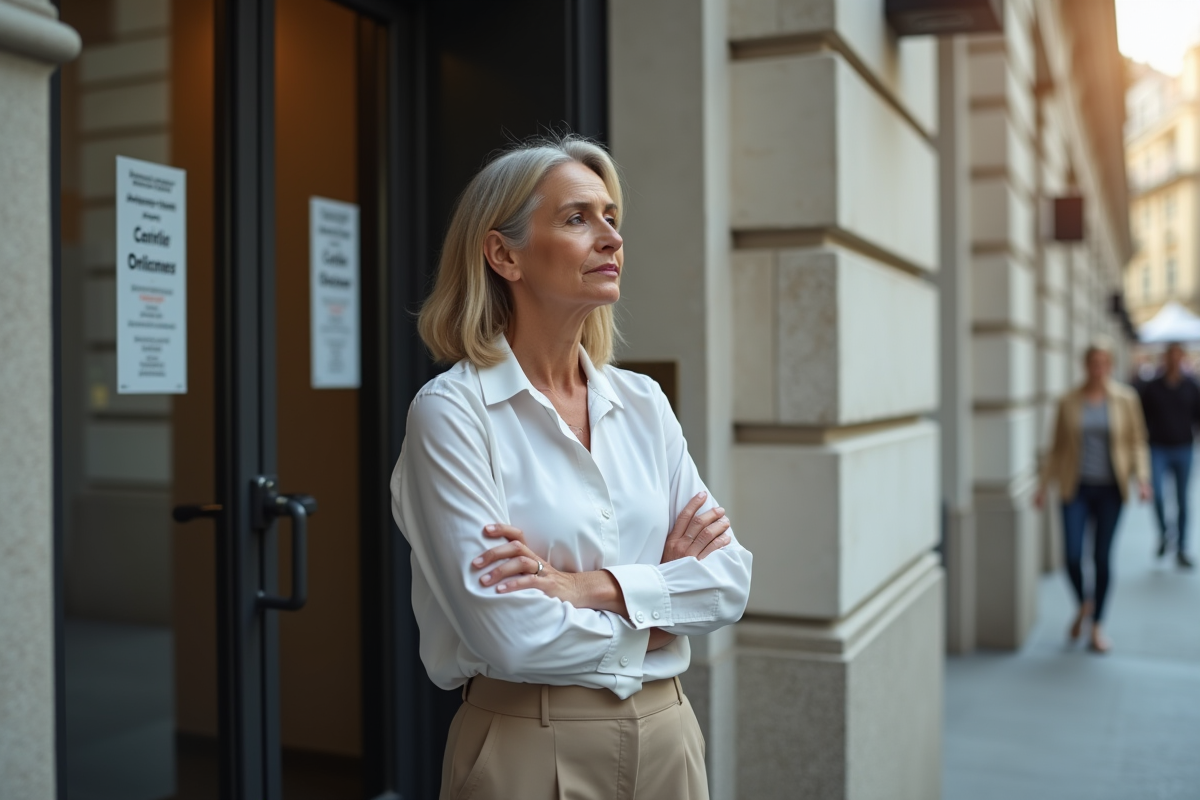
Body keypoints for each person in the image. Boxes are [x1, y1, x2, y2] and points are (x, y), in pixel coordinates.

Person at [390, 135, 753, 800]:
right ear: (504, 255)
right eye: (578, 218)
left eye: (611, 216)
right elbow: (510, 635)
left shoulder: (643, 403)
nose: (612, 238)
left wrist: (587, 588)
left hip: (670, 733)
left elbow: (728, 582)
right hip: (530, 743)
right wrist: (659, 608)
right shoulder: (451, 414)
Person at [1035, 340, 1151, 653]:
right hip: (1076, 488)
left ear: (1110, 365)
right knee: (1072, 556)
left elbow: (1137, 441)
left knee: (1101, 558)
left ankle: (1097, 625)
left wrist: (1142, 479)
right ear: (1085, 365)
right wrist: (1042, 485)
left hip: (1111, 489)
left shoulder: (1126, 399)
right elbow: (1056, 448)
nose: (1098, 369)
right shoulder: (1067, 401)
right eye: (1093, 363)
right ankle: (1085, 603)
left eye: (1103, 363)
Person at [1135, 341, 1199, 568]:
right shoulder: (1152, 387)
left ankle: (1181, 547)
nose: (1173, 360)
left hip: (1183, 448)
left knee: (1182, 499)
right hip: (1157, 448)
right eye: (1170, 355)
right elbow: (1140, 416)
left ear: (1182, 359)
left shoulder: (1191, 386)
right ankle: (1164, 533)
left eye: (1177, 355)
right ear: (1165, 359)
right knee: (1158, 496)